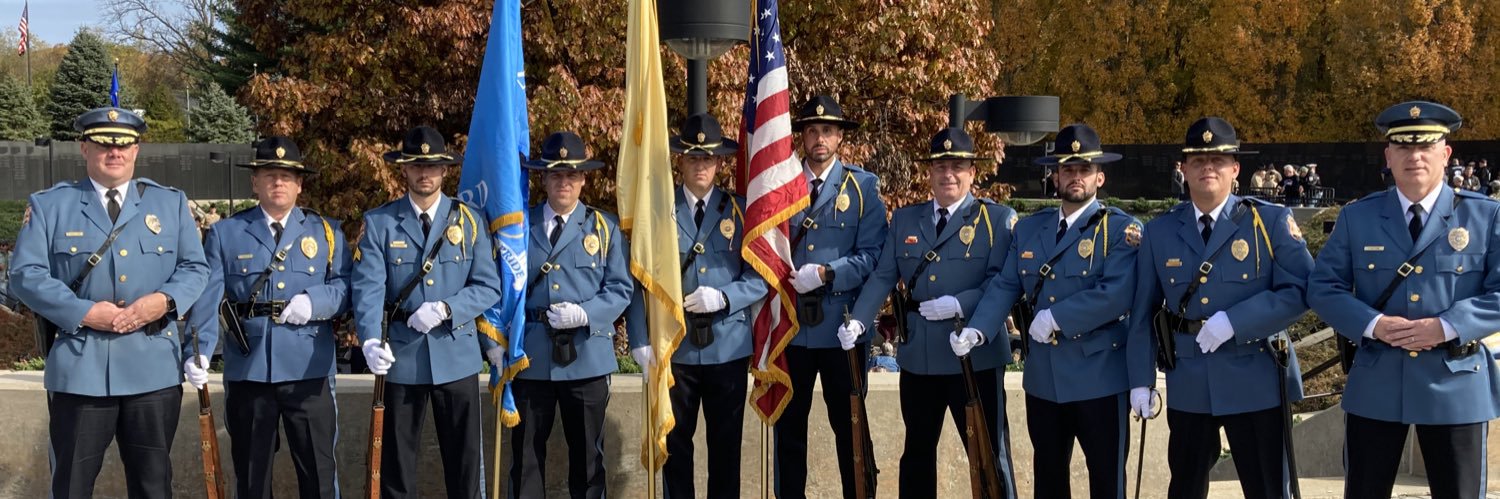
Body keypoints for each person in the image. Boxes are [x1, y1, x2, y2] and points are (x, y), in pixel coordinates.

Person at [10, 107, 210, 497]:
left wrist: (163, 300)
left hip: (152, 368)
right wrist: (82, 311)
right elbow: (24, 274)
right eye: (103, 143)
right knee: (71, 485)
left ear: (136, 150)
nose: (114, 152)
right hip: (81, 368)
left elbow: (195, 268)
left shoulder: (169, 204)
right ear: (84, 148)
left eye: (124, 144)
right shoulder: (51, 205)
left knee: (153, 485)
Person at [1308, 101, 1500, 499]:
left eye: (1426, 146)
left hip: (1455, 384)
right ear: (1389, 156)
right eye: (1404, 148)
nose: (1415, 156)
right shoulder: (1357, 218)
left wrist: (1446, 325)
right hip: (1378, 383)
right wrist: (1374, 324)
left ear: (1446, 155)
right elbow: (1323, 287)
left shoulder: (1485, 217)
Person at [1126, 117, 1313, 498]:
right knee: (1186, 487)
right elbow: (1143, 313)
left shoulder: (1269, 221)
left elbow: (1303, 289)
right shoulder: (1161, 232)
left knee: (1268, 487)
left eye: (1217, 160)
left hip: (1255, 376)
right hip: (1191, 379)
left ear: (1235, 168)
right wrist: (1139, 379)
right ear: (1183, 169)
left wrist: (1237, 321)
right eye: (1197, 160)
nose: (1207, 167)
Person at [966, 123, 1141, 498]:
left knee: (1107, 482)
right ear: (1055, 175)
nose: (1075, 177)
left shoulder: (1120, 231)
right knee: (1048, 480)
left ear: (1099, 176)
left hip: (1100, 378)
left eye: (1083, 170)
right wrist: (979, 328)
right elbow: (1006, 284)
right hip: (1045, 379)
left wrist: (1057, 317)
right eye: (1067, 169)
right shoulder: (1030, 229)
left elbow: (1116, 294)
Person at [843, 126, 1018, 497]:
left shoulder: (996, 220)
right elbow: (883, 276)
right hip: (921, 358)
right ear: (930, 173)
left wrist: (961, 304)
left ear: (972, 172)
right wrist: (859, 319)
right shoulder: (906, 220)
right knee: (918, 454)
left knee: (989, 453)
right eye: (940, 166)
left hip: (973, 355)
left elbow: (1001, 282)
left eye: (957, 166)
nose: (948, 174)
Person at [185, 137, 351, 499]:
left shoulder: (326, 232)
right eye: (270, 175)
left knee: (319, 475)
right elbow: (207, 296)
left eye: (287, 176)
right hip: (250, 371)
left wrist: (315, 300)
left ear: (300, 184)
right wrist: (196, 348)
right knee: (251, 477)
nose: (279, 182)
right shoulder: (226, 234)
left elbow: (345, 287)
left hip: (309, 369)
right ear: (254, 182)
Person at [351, 126, 503, 498]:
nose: (425, 173)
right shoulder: (380, 223)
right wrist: (370, 338)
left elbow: (488, 286)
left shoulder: (468, 220)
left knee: (465, 466)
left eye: (432, 166)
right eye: (417, 165)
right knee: (396, 467)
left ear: (445, 171)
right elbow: (368, 288)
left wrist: (447, 308)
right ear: (403, 169)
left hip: (456, 355)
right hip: (401, 356)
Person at [624, 114, 767, 499]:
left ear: (719, 163)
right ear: (680, 162)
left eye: (708, 159)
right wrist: (639, 338)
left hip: (728, 347)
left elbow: (760, 278)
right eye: (692, 158)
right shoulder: (657, 211)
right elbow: (638, 279)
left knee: (725, 451)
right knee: (676, 450)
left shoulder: (739, 211)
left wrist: (724, 297)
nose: (700, 166)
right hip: (676, 347)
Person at [508, 131, 633, 499]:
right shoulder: (518, 228)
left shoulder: (604, 227)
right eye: (556, 174)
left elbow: (621, 289)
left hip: (586, 357)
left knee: (589, 460)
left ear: (583, 179)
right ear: (543, 178)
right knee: (526, 457)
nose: (564, 182)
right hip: (531, 357)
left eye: (571, 175)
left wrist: (585, 313)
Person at [777, 94, 888, 499]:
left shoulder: (862, 186)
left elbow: (875, 256)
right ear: (802, 138)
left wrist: (827, 273)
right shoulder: (782, 186)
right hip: (791, 328)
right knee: (790, 431)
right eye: (811, 131)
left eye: (827, 130)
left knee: (851, 428)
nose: (819, 138)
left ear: (840, 137)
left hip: (842, 327)